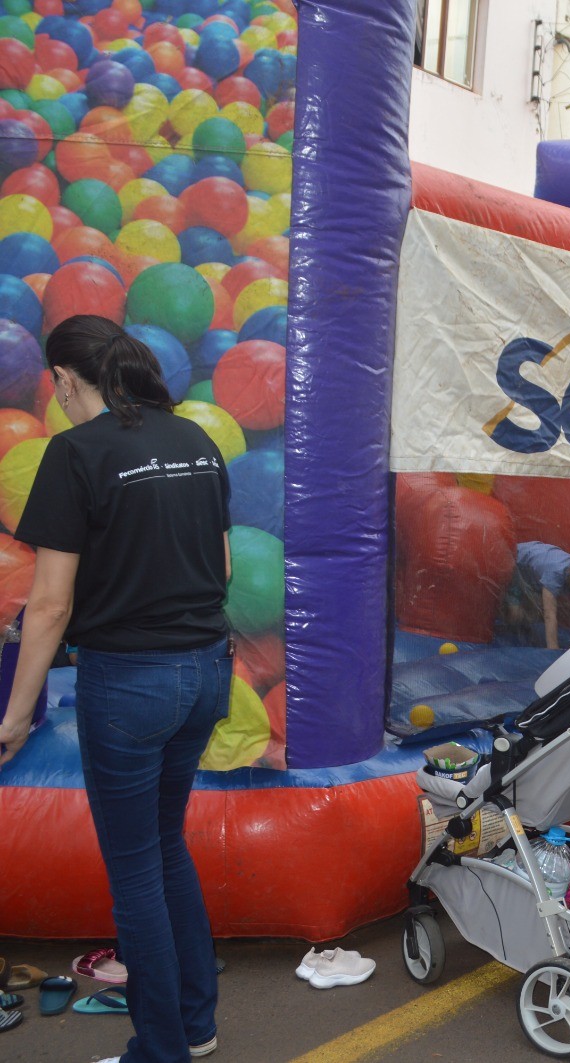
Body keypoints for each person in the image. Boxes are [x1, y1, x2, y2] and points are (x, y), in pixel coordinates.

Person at [0, 316, 232, 1063]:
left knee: (135, 871)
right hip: (204, 673)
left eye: (55, 386)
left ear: (66, 378)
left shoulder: (75, 452)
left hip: (131, 683)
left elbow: (49, 605)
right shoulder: (195, 439)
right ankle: (196, 1027)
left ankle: (159, 1050)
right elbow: (221, 569)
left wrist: (13, 717)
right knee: (166, 848)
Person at [499, 541, 570, 650]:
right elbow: (550, 614)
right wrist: (553, 648)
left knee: (532, 613)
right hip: (512, 565)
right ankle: (500, 617)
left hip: (531, 578)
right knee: (516, 615)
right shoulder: (555, 574)